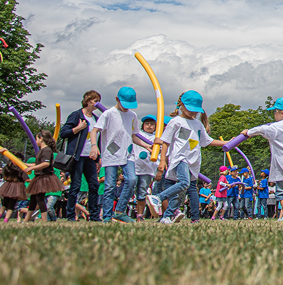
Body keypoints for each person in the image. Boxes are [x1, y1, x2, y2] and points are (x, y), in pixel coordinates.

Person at [153, 90, 227, 224]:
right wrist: (162, 160)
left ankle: (167, 216)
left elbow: (207, 141)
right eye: (190, 109)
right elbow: (165, 142)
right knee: (184, 183)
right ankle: (158, 198)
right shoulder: (175, 122)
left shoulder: (198, 124)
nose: (193, 113)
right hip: (180, 159)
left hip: (194, 161)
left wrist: (226, 143)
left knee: (182, 190)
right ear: (182, 105)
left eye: (195, 110)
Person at [89, 86, 142, 223]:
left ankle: (119, 211)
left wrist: (147, 146)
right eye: (124, 104)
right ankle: (107, 216)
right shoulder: (108, 114)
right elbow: (94, 131)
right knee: (110, 185)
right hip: (111, 153)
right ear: (117, 99)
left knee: (131, 180)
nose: (126, 108)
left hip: (128, 153)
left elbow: (133, 136)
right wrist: (94, 146)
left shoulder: (132, 115)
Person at [60, 90, 102, 221]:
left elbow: (99, 138)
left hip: (90, 157)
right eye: (96, 101)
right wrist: (78, 128)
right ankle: (71, 215)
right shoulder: (76, 115)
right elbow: (63, 133)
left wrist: (98, 158)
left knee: (94, 185)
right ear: (89, 101)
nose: (98, 104)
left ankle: (94, 215)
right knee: (76, 185)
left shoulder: (96, 119)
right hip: (77, 156)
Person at [23, 131, 62, 222]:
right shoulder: (41, 151)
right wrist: (24, 164)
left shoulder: (47, 150)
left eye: (36, 138)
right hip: (39, 176)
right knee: (33, 198)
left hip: (44, 177)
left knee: (40, 198)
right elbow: (37, 163)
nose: (35, 140)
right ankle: (27, 219)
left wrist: (31, 168)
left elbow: (46, 163)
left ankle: (44, 220)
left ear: (41, 138)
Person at [1, 151, 27, 223]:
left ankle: (2, 217)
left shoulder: (7, 168)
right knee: (11, 205)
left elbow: (4, 177)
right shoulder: (20, 169)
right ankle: (6, 220)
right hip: (17, 188)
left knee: (4, 204)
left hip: (7, 187)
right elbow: (25, 178)